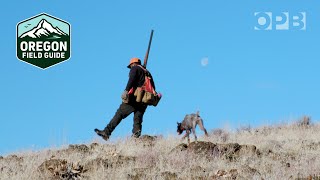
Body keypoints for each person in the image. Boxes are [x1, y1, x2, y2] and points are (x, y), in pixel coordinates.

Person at [94, 57, 150, 141]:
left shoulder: (135, 68)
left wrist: (126, 90)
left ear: (132, 64)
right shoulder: (146, 72)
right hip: (145, 99)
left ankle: (106, 132)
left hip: (134, 98)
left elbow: (132, 79)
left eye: (130, 66)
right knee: (137, 118)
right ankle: (136, 137)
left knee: (120, 113)